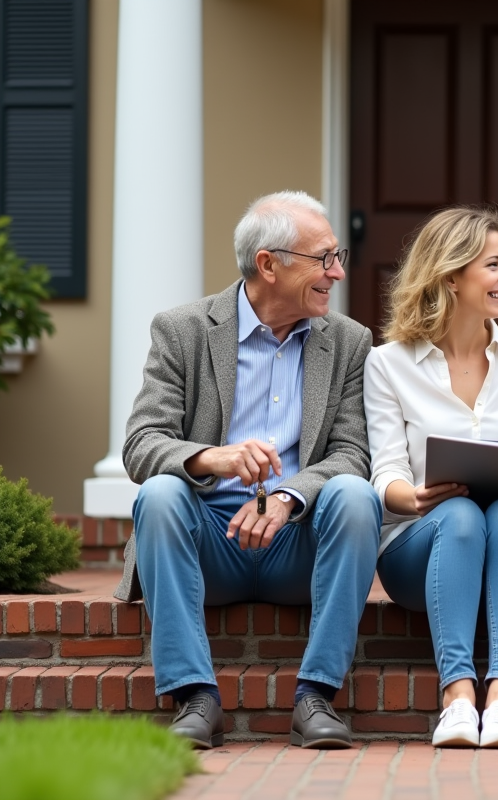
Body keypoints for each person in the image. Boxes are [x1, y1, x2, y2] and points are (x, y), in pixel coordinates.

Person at [116, 191, 382, 751]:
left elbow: (352, 453)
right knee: (160, 493)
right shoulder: (182, 330)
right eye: (323, 259)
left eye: (339, 257)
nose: (335, 272)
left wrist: (286, 497)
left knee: (357, 494)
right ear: (269, 264)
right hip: (208, 543)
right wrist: (213, 458)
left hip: (296, 545)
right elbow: (141, 445)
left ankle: (315, 696)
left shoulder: (350, 342)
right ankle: (195, 697)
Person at [363, 206, 498, 748]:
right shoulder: (389, 363)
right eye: (494, 265)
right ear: (451, 276)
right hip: (416, 547)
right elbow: (387, 472)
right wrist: (416, 497)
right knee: (461, 514)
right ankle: (457, 695)